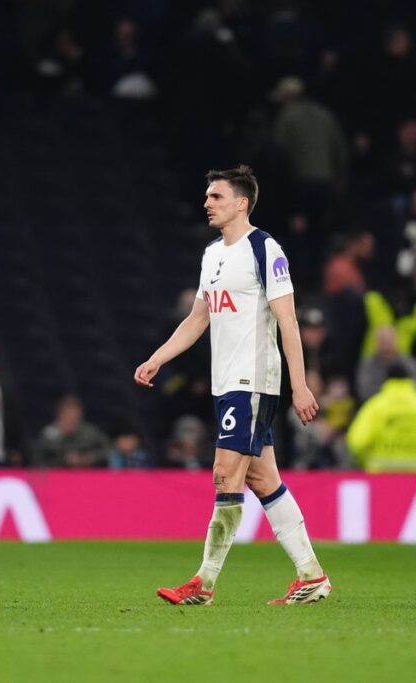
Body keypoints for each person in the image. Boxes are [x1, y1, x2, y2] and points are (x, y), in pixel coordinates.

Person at [135, 164, 330, 605]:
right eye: (207, 196)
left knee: (225, 474)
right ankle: (311, 574)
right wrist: (157, 358)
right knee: (262, 478)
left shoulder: (265, 249)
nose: (207, 203)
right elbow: (198, 318)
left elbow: (288, 320)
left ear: (241, 202)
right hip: (227, 382)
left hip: (253, 380)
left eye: (216, 196)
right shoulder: (212, 255)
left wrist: (299, 385)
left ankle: (203, 583)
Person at [346, 364, 416, 473]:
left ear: (386, 381)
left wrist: (366, 462)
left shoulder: (375, 406)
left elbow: (357, 442)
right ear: (410, 380)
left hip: (381, 476)